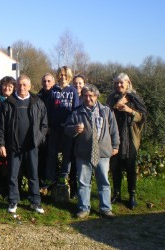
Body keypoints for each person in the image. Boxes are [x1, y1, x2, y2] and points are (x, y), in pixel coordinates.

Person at [64, 84, 120, 219]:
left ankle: (105, 209)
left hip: (102, 153)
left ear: (96, 96)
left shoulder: (106, 111)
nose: (88, 98)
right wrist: (74, 129)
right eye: (85, 96)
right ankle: (83, 208)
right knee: (83, 183)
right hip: (83, 152)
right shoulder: (77, 112)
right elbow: (66, 128)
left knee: (104, 182)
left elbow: (114, 130)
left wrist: (115, 145)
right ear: (82, 97)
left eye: (91, 96)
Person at [0, 75, 48, 214]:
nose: (22, 87)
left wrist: (38, 139)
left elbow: (44, 125)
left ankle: (35, 202)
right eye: (19, 85)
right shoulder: (8, 103)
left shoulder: (38, 102)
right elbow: (0, 127)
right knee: (13, 175)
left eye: (25, 85)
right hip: (14, 146)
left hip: (31, 146)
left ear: (30, 86)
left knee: (33, 175)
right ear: (16, 86)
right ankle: (13, 201)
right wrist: (1, 144)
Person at [106, 73, 147, 209]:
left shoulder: (134, 98)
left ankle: (132, 196)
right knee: (115, 167)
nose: (119, 85)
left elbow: (142, 117)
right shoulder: (112, 98)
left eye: (121, 83)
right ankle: (116, 193)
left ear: (128, 83)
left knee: (130, 167)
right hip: (115, 136)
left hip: (130, 138)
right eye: (117, 83)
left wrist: (130, 110)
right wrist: (117, 105)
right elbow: (106, 114)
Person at [44, 66, 79, 189]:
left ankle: (63, 177)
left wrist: (70, 124)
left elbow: (75, 110)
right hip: (54, 128)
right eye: (61, 75)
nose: (63, 77)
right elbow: (48, 110)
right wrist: (48, 125)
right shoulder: (53, 91)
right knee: (51, 154)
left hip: (68, 129)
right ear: (58, 76)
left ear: (69, 77)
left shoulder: (73, 91)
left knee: (67, 154)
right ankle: (50, 178)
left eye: (66, 75)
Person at [0, 76, 16, 195]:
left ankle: (11, 189)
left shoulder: (16, 101)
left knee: (12, 165)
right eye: (5, 85)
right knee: (1, 164)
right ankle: (1, 187)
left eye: (10, 86)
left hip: (12, 137)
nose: (7, 88)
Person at [69, 74, 87, 199]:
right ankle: (73, 188)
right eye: (75, 83)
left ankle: (84, 188)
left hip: (84, 135)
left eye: (80, 83)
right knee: (72, 164)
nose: (78, 85)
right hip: (71, 133)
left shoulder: (87, 98)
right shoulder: (70, 96)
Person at [37, 73, 56, 190]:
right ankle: (42, 183)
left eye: (49, 81)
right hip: (42, 131)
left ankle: (52, 183)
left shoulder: (57, 95)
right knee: (42, 157)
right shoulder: (38, 96)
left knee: (52, 158)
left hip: (54, 130)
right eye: (44, 81)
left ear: (53, 82)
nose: (46, 83)